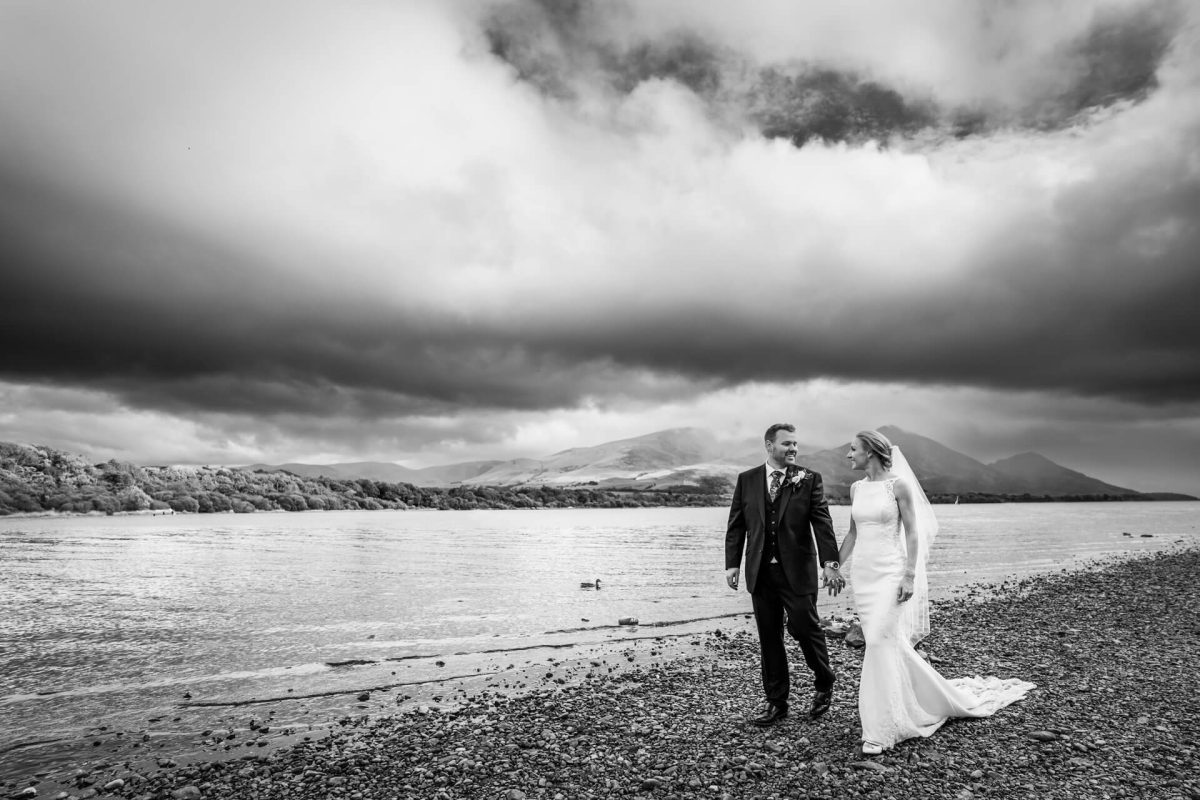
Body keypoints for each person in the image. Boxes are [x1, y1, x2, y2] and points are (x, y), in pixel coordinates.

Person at [827, 430, 1035, 755]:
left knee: (880, 642)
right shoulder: (856, 488)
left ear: (870, 452)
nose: (848, 455)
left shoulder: (898, 486)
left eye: (853, 449)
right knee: (885, 645)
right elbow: (853, 534)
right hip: (863, 577)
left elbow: (912, 533)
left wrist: (909, 575)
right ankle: (920, 700)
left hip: (891, 574)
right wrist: (834, 565)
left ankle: (879, 730)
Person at [725, 423, 841, 726]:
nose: (793, 449)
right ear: (769, 446)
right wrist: (732, 563)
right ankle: (777, 703)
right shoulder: (747, 480)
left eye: (795, 444)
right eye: (787, 443)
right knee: (769, 638)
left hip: (798, 571)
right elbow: (737, 524)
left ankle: (824, 680)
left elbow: (822, 522)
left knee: (804, 627)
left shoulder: (809, 479)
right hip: (760, 571)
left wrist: (831, 563)